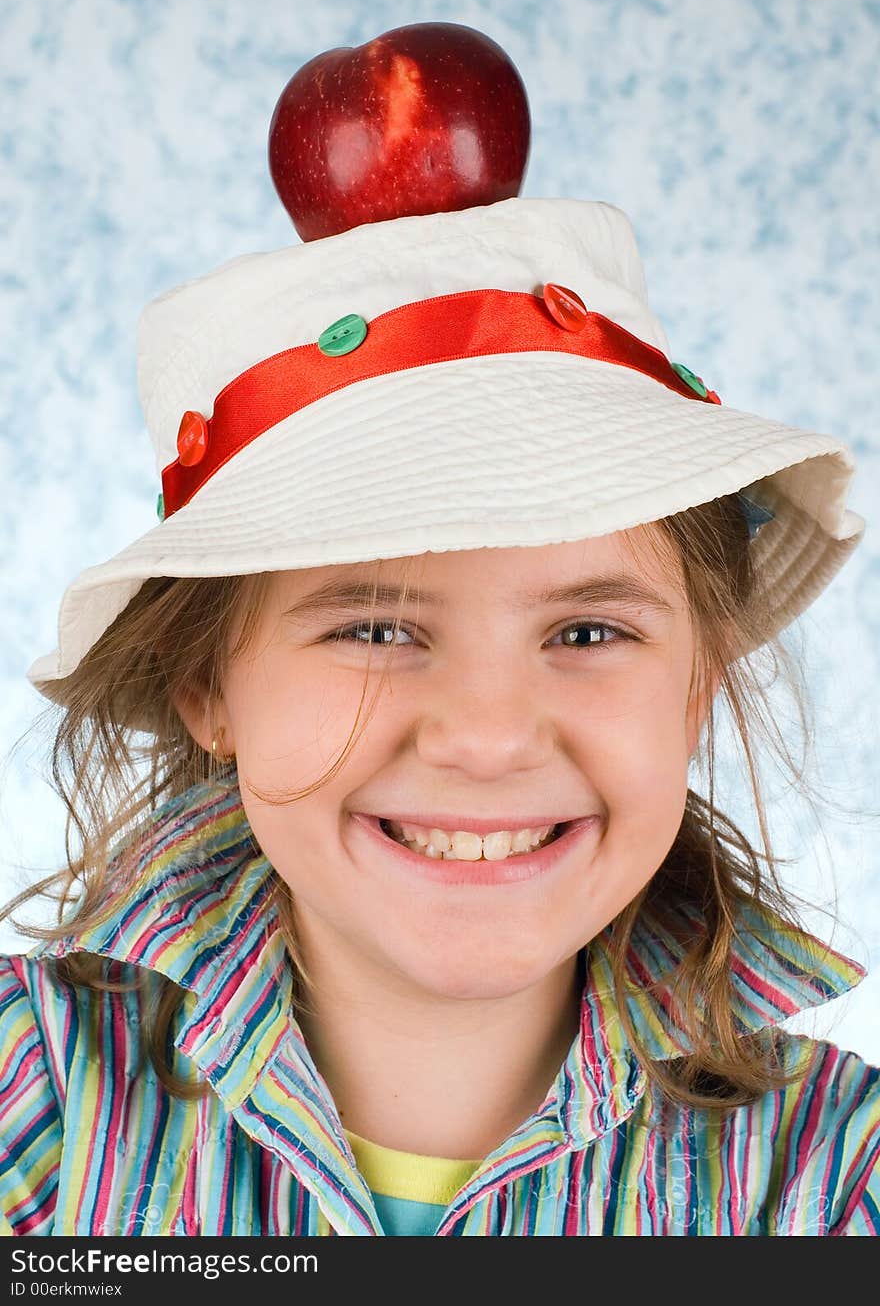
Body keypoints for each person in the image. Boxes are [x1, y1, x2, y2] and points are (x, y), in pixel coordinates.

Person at [0, 196, 877, 1238]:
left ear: (694, 686)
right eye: (373, 630)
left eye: (588, 632)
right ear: (208, 690)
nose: (487, 737)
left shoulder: (826, 1178)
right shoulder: (34, 1094)